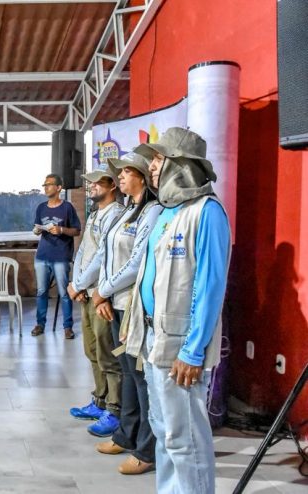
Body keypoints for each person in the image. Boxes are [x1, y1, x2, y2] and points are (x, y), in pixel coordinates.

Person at [124, 127, 231, 493]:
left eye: (157, 159)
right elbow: (149, 278)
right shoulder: (167, 213)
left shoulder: (208, 212)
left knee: (185, 439)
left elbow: (210, 285)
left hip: (181, 345)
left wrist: (193, 348)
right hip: (154, 338)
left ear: (180, 164)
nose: (151, 166)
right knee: (163, 430)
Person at [88, 153, 162, 474]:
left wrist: (104, 290)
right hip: (114, 306)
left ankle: (147, 449)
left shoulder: (152, 211)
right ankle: (126, 435)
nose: (120, 177)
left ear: (143, 178)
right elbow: (106, 255)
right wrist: (102, 292)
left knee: (142, 378)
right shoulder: (128, 210)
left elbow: (136, 263)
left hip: (133, 308)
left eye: (127, 172)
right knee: (128, 372)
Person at [67, 170, 124, 426]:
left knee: (107, 353)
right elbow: (83, 252)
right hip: (87, 293)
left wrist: (80, 283)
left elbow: (103, 256)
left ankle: (114, 408)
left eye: (98, 182)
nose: (91, 186)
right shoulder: (95, 215)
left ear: (112, 185)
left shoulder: (117, 215)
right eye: (90, 182)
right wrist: (75, 283)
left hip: (102, 295)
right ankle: (99, 399)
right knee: (91, 350)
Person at [31, 174, 81, 339]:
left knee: (64, 293)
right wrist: (38, 230)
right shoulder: (41, 208)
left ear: (59, 188)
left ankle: (67, 327)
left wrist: (61, 230)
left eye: (49, 184)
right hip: (42, 255)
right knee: (41, 291)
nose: (46, 187)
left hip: (61, 256)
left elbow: (76, 230)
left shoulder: (67, 208)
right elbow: (37, 226)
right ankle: (40, 324)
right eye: (44, 184)